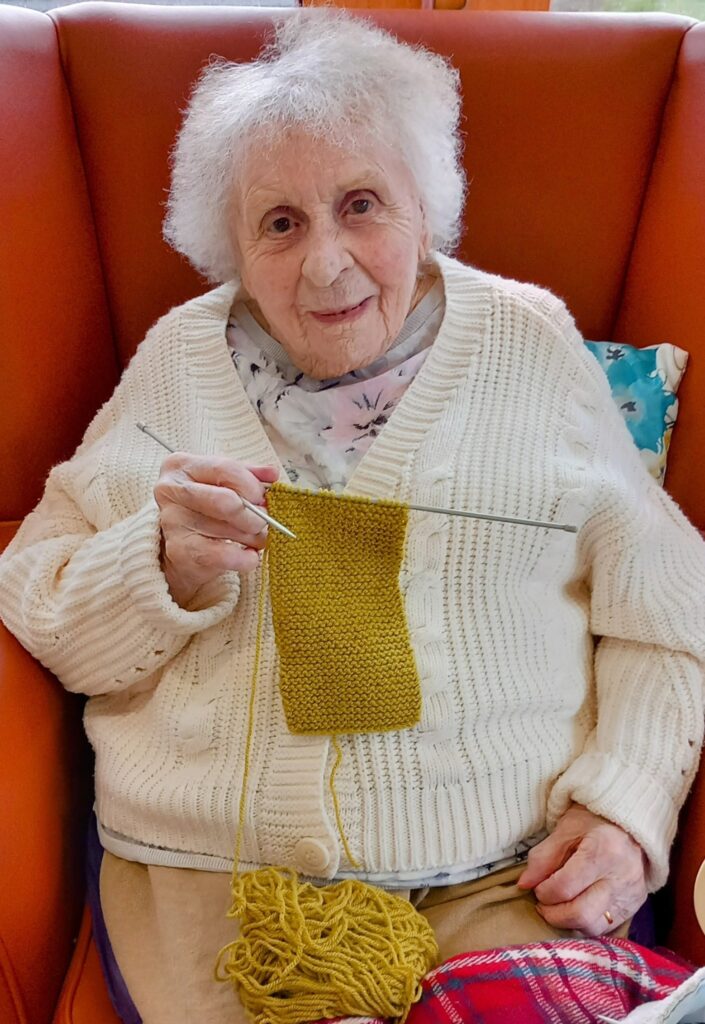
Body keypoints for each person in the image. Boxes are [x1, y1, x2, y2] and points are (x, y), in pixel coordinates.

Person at [1, 11, 704, 1024]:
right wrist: (156, 568)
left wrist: (629, 802)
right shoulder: (179, 359)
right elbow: (38, 590)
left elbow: (673, 607)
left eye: (362, 205)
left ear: (428, 208)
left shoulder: (528, 343)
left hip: (504, 882)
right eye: (279, 223)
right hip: (224, 892)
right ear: (230, 246)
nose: (326, 262)